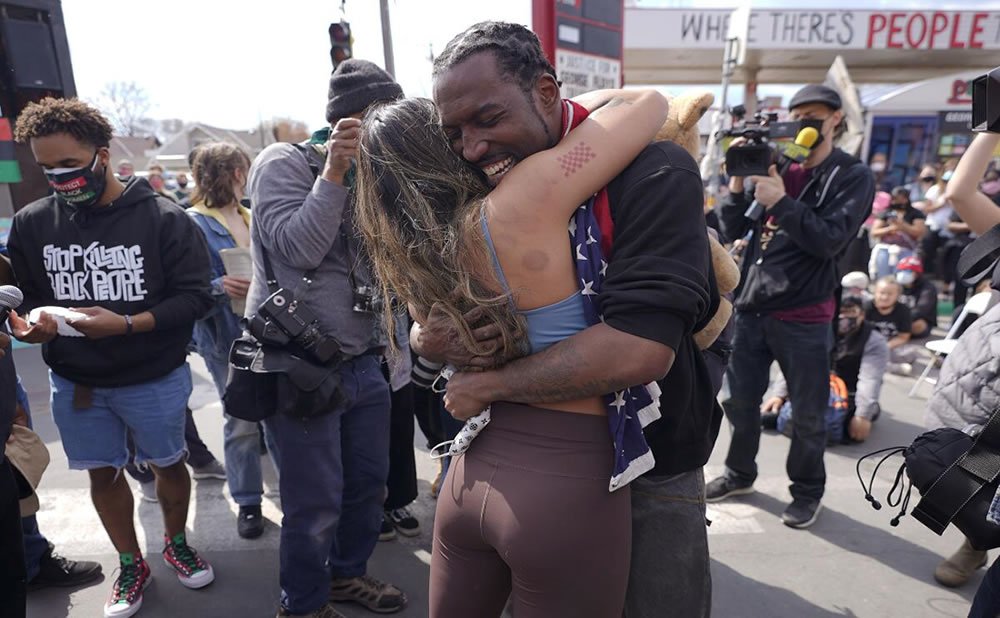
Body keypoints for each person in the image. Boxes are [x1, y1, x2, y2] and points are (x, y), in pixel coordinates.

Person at [410, 22, 719, 617]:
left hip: (650, 467)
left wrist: (488, 383)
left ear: (548, 94)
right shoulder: (473, 188)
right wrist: (431, 338)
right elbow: (426, 318)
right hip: (514, 463)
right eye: (455, 132)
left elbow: (638, 350)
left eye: (488, 118)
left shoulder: (652, 170)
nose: (473, 147)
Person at [356, 78, 670, 617]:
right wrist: (553, 107)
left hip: (471, 474)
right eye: (453, 134)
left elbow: (423, 339)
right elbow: (648, 105)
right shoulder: (527, 198)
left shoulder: (411, 257)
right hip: (567, 484)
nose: (471, 145)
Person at [8, 98, 216, 618]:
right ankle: (130, 563)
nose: (59, 178)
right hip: (76, 383)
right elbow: (30, 298)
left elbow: (195, 298)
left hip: (153, 378)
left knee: (169, 463)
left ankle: (176, 543)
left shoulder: (165, 218)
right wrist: (34, 330)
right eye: (47, 168)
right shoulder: (33, 224)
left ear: (102, 156)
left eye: (70, 166)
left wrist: (125, 323)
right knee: (103, 474)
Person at [245, 60, 407, 618]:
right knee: (313, 504)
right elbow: (298, 248)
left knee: (368, 489)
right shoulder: (283, 163)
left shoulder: (384, 176)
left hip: (367, 361)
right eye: (376, 119)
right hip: (301, 365)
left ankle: (346, 579)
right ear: (345, 121)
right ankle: (305, 604)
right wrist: (335, 171)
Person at [711, 83, 874, 528]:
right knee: (739, 403)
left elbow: (829, 241)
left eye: (814, 114)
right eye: (796, 113)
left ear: (835, 119)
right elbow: (730, 227)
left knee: (806, 412)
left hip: (805, 314)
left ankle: (807, 492)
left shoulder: (851, 175)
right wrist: (739, 185)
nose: (803, 122)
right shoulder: (776, 164)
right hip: (751, 306)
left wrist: (780, 200)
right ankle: (739, 472)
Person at [186, 141, 279, 539]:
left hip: (268, 330)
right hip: (226, 337)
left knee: (277, 416)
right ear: (230, 173)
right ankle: (248, 502)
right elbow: (185, 290)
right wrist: (219, 286)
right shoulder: (192, 222)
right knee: (241, 422)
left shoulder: (251, 213)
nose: (248, 175)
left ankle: (289, 494)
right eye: (243, 168)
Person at [761, 295, 888, 444]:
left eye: (850, 312)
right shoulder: (818, 327)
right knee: (771, 416)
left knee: (849, 428)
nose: (844, 317)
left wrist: (863, 415)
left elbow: (870, 379)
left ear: (861, 314)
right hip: (814, 386)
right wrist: (779, 395)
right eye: (840, 311)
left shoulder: (874, 340)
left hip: (849, 394)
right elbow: (796, 361)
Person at [868, 186, 926, 280]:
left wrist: (903, 226)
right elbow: (874, 232)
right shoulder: (886, 213)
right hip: (885, 249)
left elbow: (919, 232)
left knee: (903, 278)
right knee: (882, 277)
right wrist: (890, 229)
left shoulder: (915, 214)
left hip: (906, 250)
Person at [865, 277, 918, 375]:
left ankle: (881, 364)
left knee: (911, 353)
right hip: (868, 345)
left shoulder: (903, 310)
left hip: (891, 346)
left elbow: (903, 337)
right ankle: (891, 368)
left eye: (889, 294)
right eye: (881, 293)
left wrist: (885, 346)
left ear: (897, 295)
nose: (885, 297)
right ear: (875, 292)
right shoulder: (866, 307)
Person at [895, 256, 938, 338]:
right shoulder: (895, 285)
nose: (903, 273)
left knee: (918, 325)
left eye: (907, 271)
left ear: (917, 273)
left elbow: (921, 310)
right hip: (895, 318)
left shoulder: (928, 288)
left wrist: (901, 319)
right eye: (901, 270)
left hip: (915, 320)